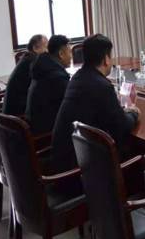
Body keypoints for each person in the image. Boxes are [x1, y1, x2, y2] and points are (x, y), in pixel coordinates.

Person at [51, 34, 140, 180]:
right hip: (81, 172)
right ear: (106, 59)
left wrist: (122, 113)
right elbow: (122, 126)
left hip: (65, 163)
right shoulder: (102, 86)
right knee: (138, 153)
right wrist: (134, 114)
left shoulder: (77, 78)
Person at [25, 35, 72, 135]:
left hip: (35, 127)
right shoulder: (56, 77)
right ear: (61, 54)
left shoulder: (43, 68)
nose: (71, 56)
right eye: (70, 52)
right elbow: (71, 105)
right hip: (47, 135)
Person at [2, 34, 48, 116]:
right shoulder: (33, 61)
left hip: (10, 111)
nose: (47, 51)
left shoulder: (27, 57)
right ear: (35, 48)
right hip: (17, 115)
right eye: (46, 47)